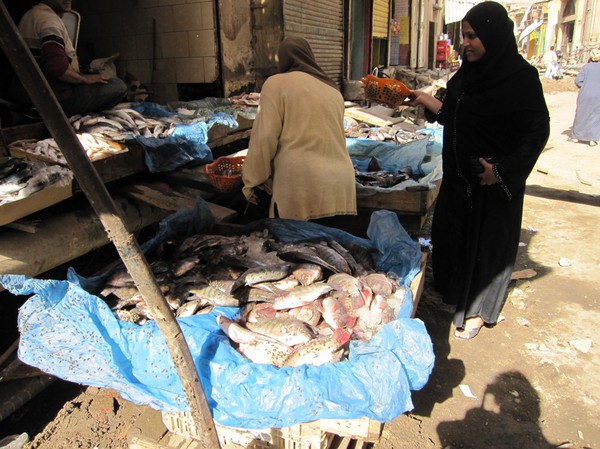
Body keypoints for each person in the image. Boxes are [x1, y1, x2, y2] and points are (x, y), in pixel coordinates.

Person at [405, 2, 549, 339]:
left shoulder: (520, 78)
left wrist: (501, 171)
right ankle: (454, 295)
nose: (465, 43)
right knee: (453, 239)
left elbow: (536, 131)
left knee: (487, 251)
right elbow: (451, 112)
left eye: (472, 36)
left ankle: (480, 312)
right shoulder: (467, 75)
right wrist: (423, 99)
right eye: (464, 36)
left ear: (493, 35)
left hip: (491, 186)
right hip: (459, 180)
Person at [241, 36, 357, 223]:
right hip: (340, 187)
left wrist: (251, 182)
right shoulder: (333, 90)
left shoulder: (275, 84)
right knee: (333, 249)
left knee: (298, 249)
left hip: (300, 187)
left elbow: (264, 138)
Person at [11, 0, 127, 117]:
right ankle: (77, 120)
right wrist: (84, 79)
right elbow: (57, 67)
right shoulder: (48, 21)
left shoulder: (32, 14)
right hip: (54, 100)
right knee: (117, 86)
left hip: (36, 95)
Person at [571, 48, 600, 147]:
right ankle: (592, 139)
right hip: (598, 96)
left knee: (581, 114)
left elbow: (578, 81)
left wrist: (585, 86)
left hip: (585, 94)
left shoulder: (586, 67)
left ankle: (576, 137)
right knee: (595, 116)